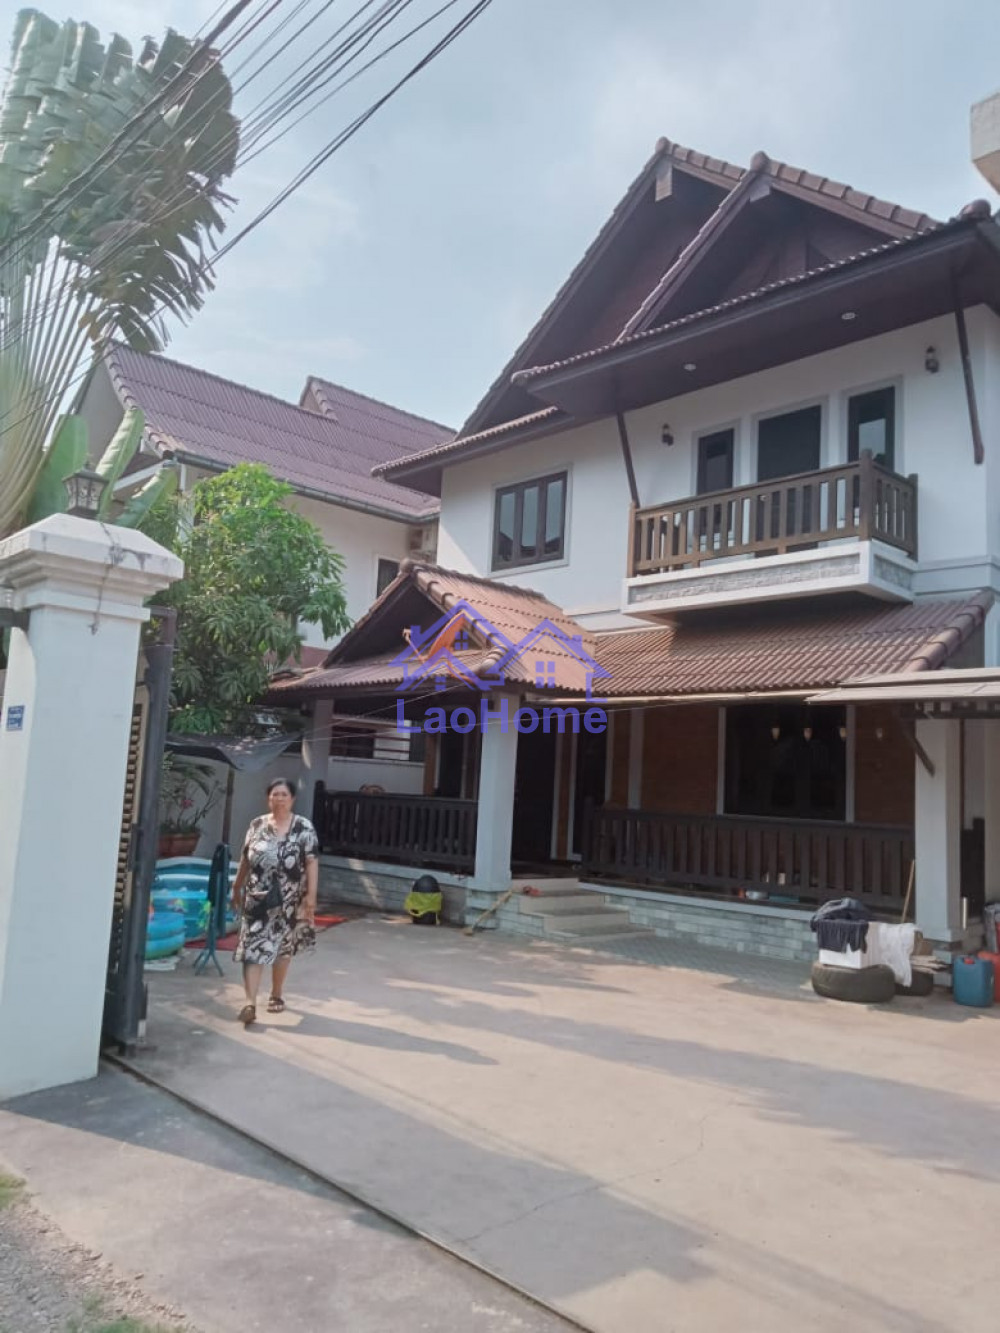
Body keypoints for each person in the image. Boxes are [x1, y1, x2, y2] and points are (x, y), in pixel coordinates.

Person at [230, 777, 319, 1026]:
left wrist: (311, 896)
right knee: (252, 946)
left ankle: (276, 993)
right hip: (257, 897)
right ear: (268, 798)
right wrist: (236, 887)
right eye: (274, 794)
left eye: (283, 794)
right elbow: (246, 858)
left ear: (292, 799)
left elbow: (311, 861)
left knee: (282, 946)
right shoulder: (257, 824)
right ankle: (250, 1003)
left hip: (290, 900)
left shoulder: (303, 827)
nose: (278, 799)